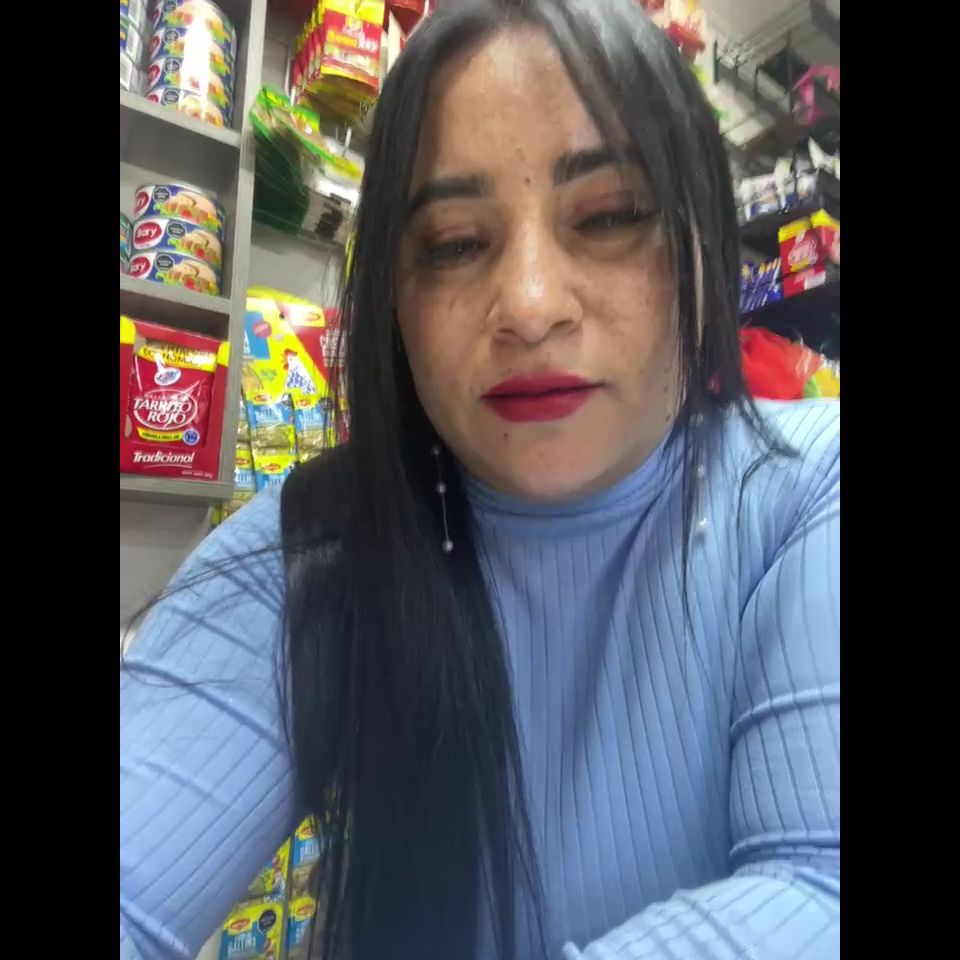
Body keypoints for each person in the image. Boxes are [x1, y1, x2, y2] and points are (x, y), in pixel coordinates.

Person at [119, 1, 840, 958]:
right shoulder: (315, 551)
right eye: (455, 242)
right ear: (394, 300)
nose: (530, 307)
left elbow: (818, 887)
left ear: (702, 252)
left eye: (609, 217)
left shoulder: (808, 489)